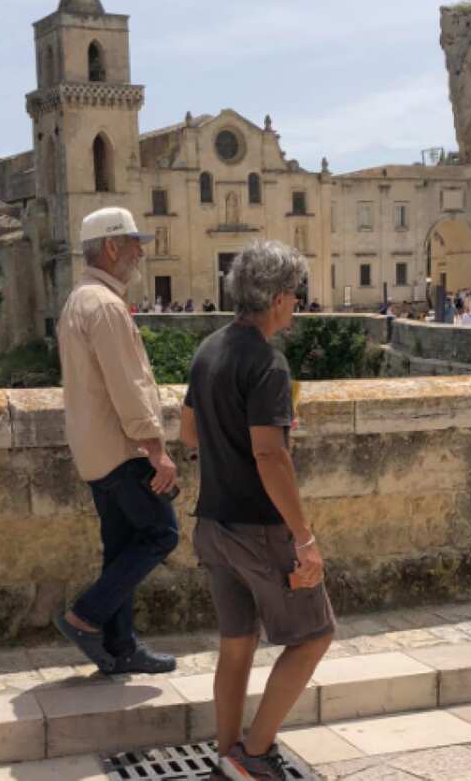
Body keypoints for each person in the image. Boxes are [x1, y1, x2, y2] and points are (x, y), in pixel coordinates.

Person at [181, 240, 334, 781]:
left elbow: (189, 432)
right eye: (295, 293)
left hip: (213, 525)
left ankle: (228, 757)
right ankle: (254, 751)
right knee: (314, 635)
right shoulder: (268, 363)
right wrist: (304, 537)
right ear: (277, 298)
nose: (297, 303)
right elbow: (270, 455)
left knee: (236, 644)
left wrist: (230, 448)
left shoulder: (208, 350)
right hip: (258, 530)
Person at [54, 207, 180, 674]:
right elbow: (126, 385)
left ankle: (122, 647)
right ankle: (84, 617)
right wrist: (157, 450)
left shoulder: (78, 300)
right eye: (133, 243)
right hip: (121, 450)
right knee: (162, 533)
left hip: (94, 450)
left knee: (122, 545)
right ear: (111, 246)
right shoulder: (105, 306)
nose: (140, 253)